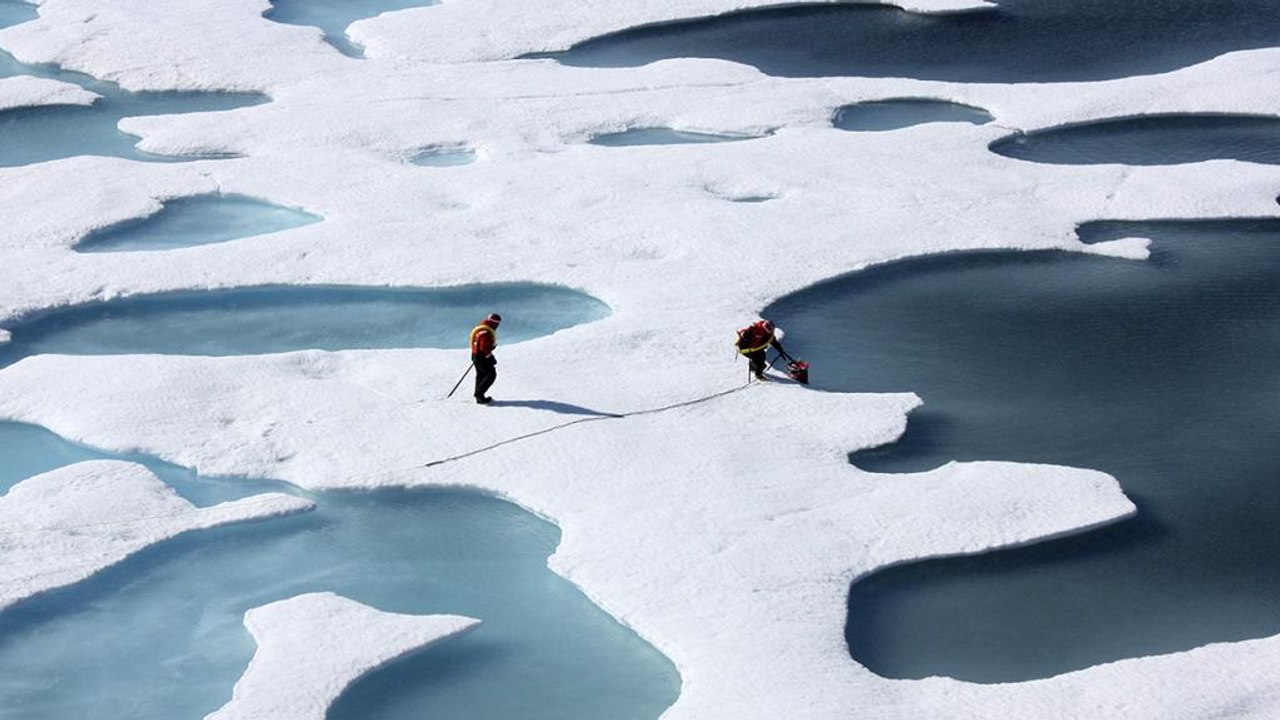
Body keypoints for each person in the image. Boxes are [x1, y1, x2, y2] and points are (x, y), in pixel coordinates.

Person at [470, 312, 501, 404]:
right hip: (482, 357)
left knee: (481, 375)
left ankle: (479, 396)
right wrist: (490, 357)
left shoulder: (481, 328)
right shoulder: (486, 332)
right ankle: (479, 395)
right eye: (497, 323)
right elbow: (484, 348)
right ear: (493, 323)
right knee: (490, 375)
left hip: (475, 355)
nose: (497, 326)